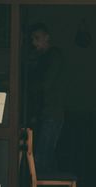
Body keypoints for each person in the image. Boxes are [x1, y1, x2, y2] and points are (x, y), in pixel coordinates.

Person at [28, 22, 66, 173]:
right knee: (46, 157)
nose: (34, 42)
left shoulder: (53, 56)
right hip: (46, 114)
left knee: (42, 158)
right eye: (32, 39)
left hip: (51, 113)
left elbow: (45, 84)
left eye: (37, 38)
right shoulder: (44, 58)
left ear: (47, 37)